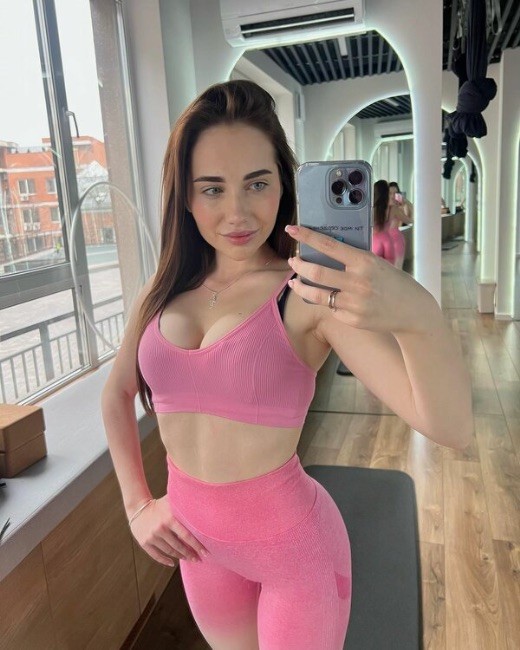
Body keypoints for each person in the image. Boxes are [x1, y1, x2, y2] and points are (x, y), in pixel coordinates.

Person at [101, 80, 472, 650]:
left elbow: (448, 426)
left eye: (257, 183)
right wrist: (137, 506)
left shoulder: (304, 294)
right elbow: (116, 393)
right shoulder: (161, 290)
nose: (237, 212)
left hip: (295, 558)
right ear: (185, 198)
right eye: (212, 188)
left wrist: (419, 315)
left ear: (284, 185)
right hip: (199, 551)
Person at [373, 179, 410, 270]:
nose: (393, 196)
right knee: (396, 271)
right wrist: (407, 203)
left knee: (378, 271)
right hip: (389, 241)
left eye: (395, 193)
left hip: (377, 242)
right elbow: (409, 220)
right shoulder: (393, 209)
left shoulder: (371, 210)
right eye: (390, 193)